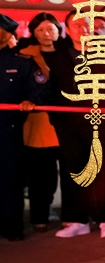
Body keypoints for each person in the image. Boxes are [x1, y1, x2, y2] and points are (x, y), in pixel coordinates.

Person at [47, 12, 105, 238]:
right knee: (73, 169)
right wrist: (57, 120)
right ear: (68, 29)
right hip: (69, 123)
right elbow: (52, 89)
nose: (83, 29)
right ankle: (76, 219)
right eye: (77, 25)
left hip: (103, 120)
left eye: (87, 25)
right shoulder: (59, 55)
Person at [0, 14, 45, 241]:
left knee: (10, 178)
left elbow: (39, 90)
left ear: (8, 33)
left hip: (8, 129)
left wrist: (31, 102)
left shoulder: (21, 61)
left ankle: (12, 226)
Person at [17, 13, 63, 233]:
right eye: (41, 30)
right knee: (40, 173)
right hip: (38, 123)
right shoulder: (24, 56)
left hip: (67, 122)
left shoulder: (68, 53)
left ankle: (72, 215)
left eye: (51, 28)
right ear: (33, 33)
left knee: (68, 172)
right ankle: (39, 215)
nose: (47, 33)